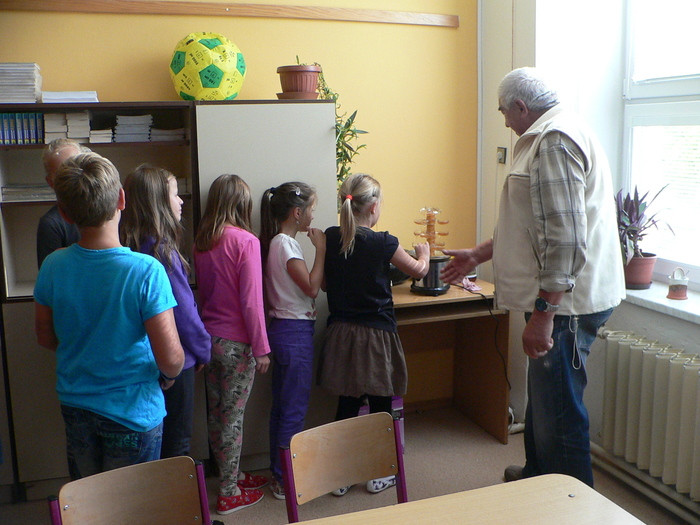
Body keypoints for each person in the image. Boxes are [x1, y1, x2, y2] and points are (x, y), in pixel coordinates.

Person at [441, 67, 625, 487]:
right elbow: (534, 222)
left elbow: (566, 239)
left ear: (521, 107)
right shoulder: (552, 133)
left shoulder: (555, 141)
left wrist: (544, 315)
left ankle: (569, 505)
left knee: (559, 409)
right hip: (558, 301)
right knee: (544, 401)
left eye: (504, 112)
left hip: (565, 306)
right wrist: (478, 254)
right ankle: (536, 476)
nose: (505, 121)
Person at [33, 152, 185, 480]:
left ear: (64, 212)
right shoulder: (145, 271)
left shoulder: (53, 265)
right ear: (121, 199)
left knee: (89, 498)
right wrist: (169, 374)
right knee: (132, 502)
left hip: (77, 406)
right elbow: (171, 359)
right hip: (134, 411)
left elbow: (45, 336)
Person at [319, 172, 430, 495]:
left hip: (341, 334)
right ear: (373, 207)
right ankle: (381, 471)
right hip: (375, 337)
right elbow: (419, 271)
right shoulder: (384, 242)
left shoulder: (330, 236)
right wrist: (424, 252)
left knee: (348, 404)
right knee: (381, 405)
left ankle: (340, 476)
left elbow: (325, 284)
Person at [120, 164, 212, 459]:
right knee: (177, 443)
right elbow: (184, 315)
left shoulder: (128, 247)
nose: (181, 201)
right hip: (176, 360)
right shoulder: (162, 252)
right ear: (158, 202)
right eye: (174, 194)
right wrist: (204, 350)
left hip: (143, 362)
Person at [193, 174, 271, 515]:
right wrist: (261, 347)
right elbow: (252, 302)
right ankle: (228, 492)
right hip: (238, 344)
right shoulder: (246, 242)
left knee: (217, 415)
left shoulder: (201, 243)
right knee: (233, 418)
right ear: (242, 204)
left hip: (209, 340)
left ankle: (232, 475)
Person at [259, 182, 325, 501]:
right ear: (297, 213)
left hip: (285, 330)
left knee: (283, 407)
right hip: (294, 332)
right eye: (311, 209)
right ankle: (285, 479)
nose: (313, 215)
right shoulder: (286, 244)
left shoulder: (279, 243)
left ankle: (278, 471)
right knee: (293, 409)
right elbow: (312, 287)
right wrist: (321, 249)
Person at [37, 138, 89, 267]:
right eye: (63, 175)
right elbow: (50, 273)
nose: (74, 177)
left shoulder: (106, 206)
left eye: (77, 168)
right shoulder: (51, 224)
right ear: (51, 182)